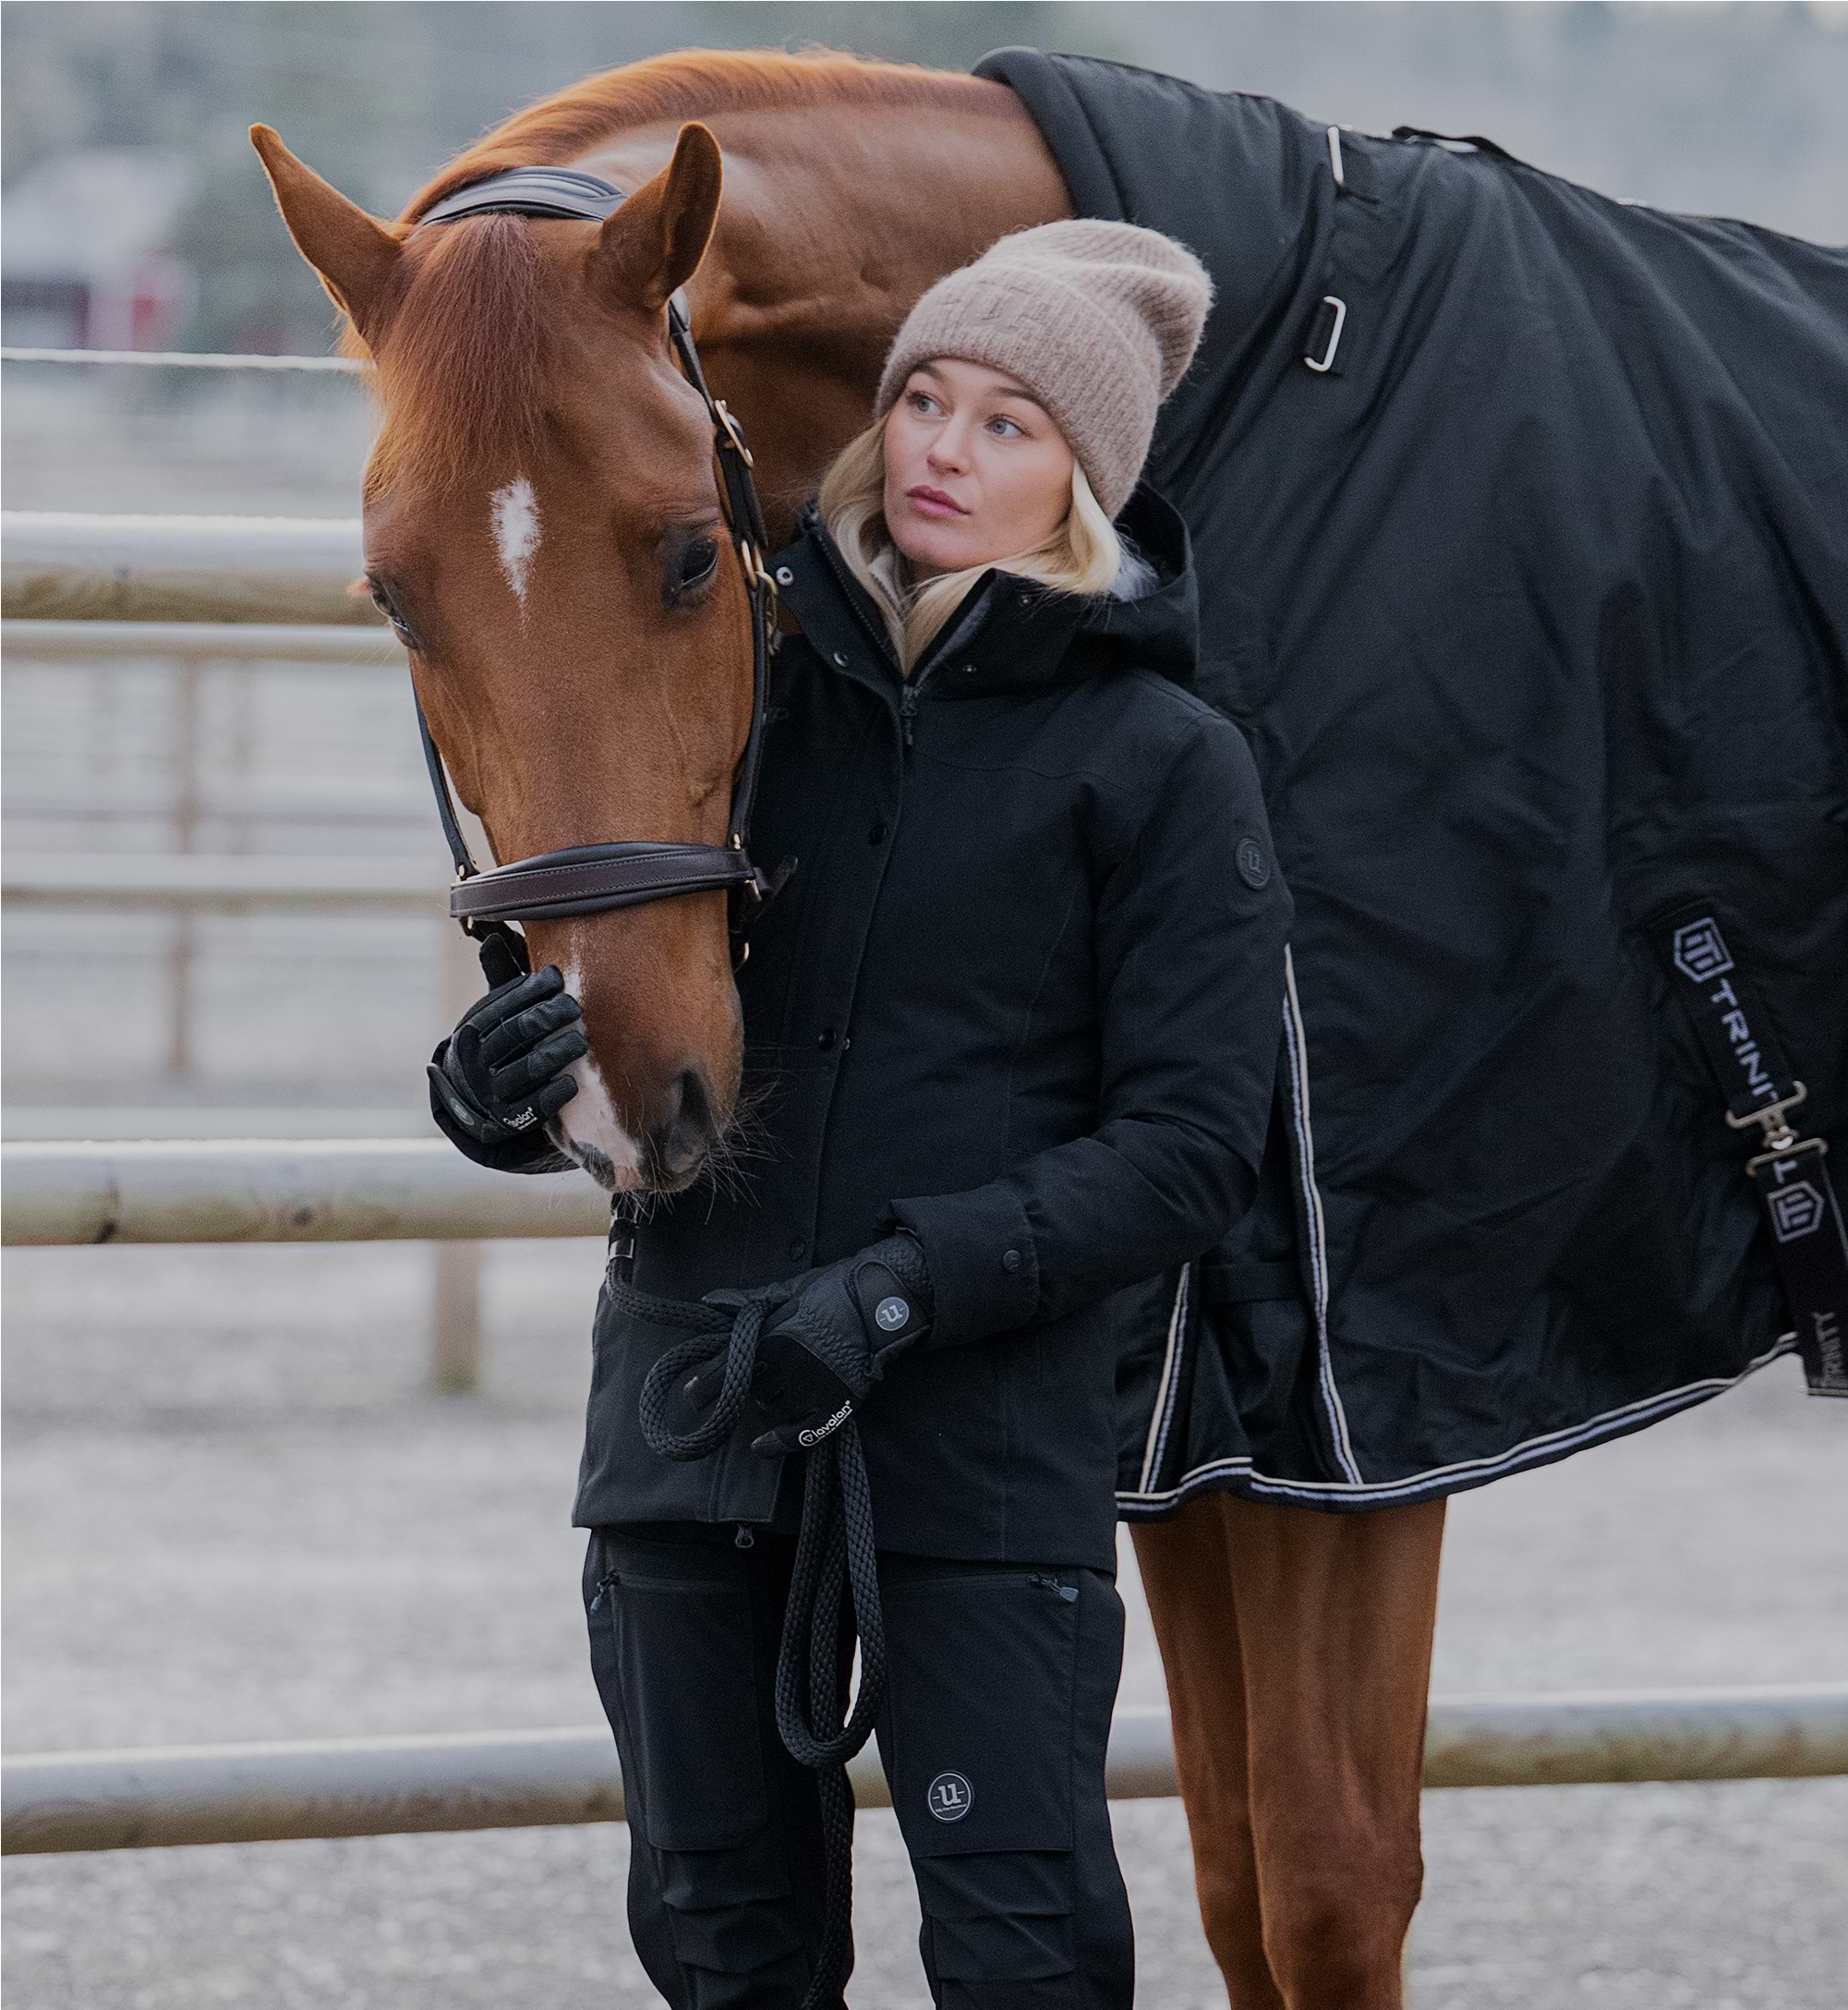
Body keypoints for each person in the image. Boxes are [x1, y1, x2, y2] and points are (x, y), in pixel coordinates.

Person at [428, 220, 1294, 2009]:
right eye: (921, 399)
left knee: (1021, 1948)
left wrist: (898, 1291)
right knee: (719, 1943)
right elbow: (628, 991)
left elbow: (1193, 1145)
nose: (939, 453)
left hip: (971, 1458)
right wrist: (495, 1089)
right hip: (692, 1422)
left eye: (1005, 425)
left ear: (1081, 480)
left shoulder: (1157, 760)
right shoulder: (749, 697)